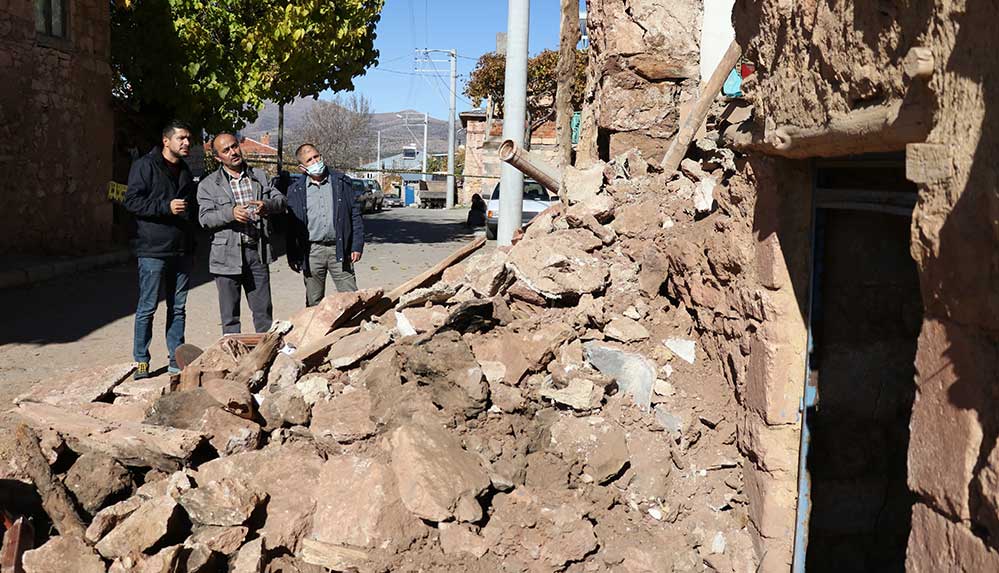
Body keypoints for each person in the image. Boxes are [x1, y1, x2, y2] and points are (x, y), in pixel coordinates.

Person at [123, 120, 198, 380]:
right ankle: (140, 363)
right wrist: (164, 207)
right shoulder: (145, 165)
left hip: (181, 250)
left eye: (188, 138)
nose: (187, 143)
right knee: (147, 309)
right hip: (153, 249)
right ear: (166, 141)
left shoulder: (186, 170)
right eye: (181, 138)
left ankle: (176, 360)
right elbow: (131, 201)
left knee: (178, 309)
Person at [197, 133, 287, 334]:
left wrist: (267, 205)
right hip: (226, 256)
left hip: (257, 252)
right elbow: (204, 219)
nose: (233, 152)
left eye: (234, 146)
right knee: (230, 318)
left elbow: (281, 200)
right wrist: (230, 213)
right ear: (218, 158)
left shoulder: (260, 176)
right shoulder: (208, 184)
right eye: (226, 150)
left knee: (263, 313)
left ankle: (266, 355)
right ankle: (234, 360)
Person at [285, 143, 364, 307]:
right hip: (312, 252)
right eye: (309, 160)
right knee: (314, 303)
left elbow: (355, 215)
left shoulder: (342, 183)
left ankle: (353, 331)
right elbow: (291, 226)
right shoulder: (295, 191)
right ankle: (318, 332)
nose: (315, 161)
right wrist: (292, 254)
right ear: (302, 167)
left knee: (351, 299)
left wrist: (356, 245)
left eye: (316, 157)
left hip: (340, 250)